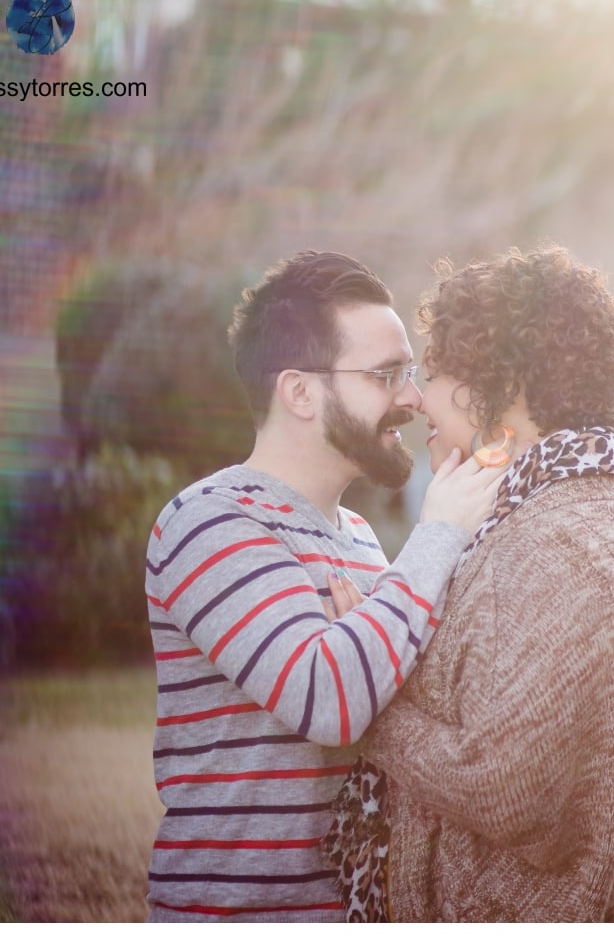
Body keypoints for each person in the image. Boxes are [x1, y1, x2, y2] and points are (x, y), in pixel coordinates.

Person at [144, 250, 506, 921]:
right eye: (385, 375)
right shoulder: (209, 523)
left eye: (411, 373)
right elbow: (333, 700)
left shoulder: (363, 540)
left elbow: (389, 696)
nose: (414, 398)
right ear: (300, 392)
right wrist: (440, 533)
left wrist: (367, 632)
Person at [321, 244, 614, 921]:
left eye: (439, 370)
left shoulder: (569, 549)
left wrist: (366, 700)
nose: (416, 397)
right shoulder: (529, 519)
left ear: (507, 389)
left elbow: (506, 788)